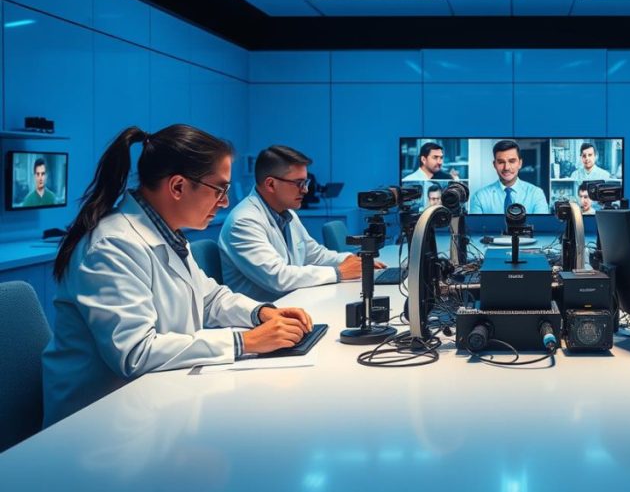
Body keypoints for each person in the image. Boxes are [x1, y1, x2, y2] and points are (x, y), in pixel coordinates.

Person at [42, 125, 314, 426]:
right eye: (219, 189)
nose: (224, 202)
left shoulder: (166, 234)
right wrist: (245, 342)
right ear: (178, 187)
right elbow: (135, 353)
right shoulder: (112, 245)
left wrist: (261, 313)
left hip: (157, 405)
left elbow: (210, 297)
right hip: (96, 426)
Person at [219, 145, 383, 302]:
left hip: (293, 305)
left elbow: (314, 254)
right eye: (299, 183)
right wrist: (338, 272)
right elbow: (279, 278)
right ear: (270, 184)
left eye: (306, 183)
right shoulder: (244, 222)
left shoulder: (286, 213)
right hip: (263, 319)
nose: (305, 190)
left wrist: (353, 260)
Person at [470, 140, 548, 214]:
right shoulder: (480, 197)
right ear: (494, 165)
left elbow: (542, 227)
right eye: (501, 162)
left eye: (512, 161)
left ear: (520, 163)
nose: (506, 167)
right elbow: (475, 228)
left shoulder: (536, 194)